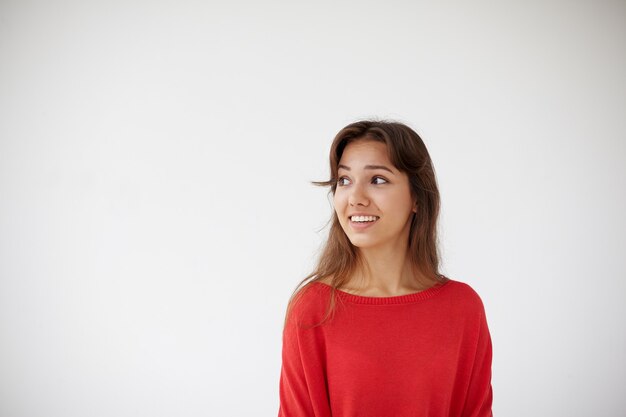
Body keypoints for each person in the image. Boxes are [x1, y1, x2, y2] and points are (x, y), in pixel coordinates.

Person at [277, 120, 493, 417]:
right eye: (344, 180)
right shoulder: (313, 309)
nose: (355, 198)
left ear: (417, 197)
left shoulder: (463, 308)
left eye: (377, 180)